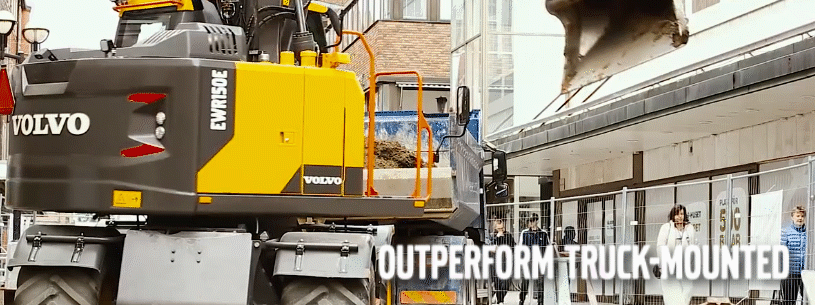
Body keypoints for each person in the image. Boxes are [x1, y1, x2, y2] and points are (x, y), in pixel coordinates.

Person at [656, 204, 696, 305]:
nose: (679, 217)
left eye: (682, 214)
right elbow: (660, 247)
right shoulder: (666, 228)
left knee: (688, 290)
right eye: (677, 214)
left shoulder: (689, 228)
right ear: (673, 216)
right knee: (672, 294)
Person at [519, 214, 549, 305]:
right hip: (528, 260)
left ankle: (540, 302)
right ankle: (521, 300)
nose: (531, 223)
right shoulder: (525, 233)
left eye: (533, 220)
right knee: (525, 282)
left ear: (537, 221)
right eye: (530, 221)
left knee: (540, 283)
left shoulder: (543, 233)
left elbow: (547, 247)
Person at [781, 205, 807, 305]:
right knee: (789, 301)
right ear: (792, 217)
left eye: (802, 216)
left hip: (806, 272)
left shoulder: (808, 233)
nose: (800, 218)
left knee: (808, 300)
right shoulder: (786, 232)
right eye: (798, 216)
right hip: (790, 273)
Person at [490, 218, 515, 305]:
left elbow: (513, 247)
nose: (501, 230)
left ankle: (501, 297)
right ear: (495, 228)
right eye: (499, 229)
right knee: (497, 282)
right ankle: (500, 300)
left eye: (502, 228)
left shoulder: (508, 236)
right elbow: (491, 247)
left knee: (507, 282)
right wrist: (497, 237)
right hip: (496, 261)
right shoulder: (493, 236)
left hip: (506, 261)